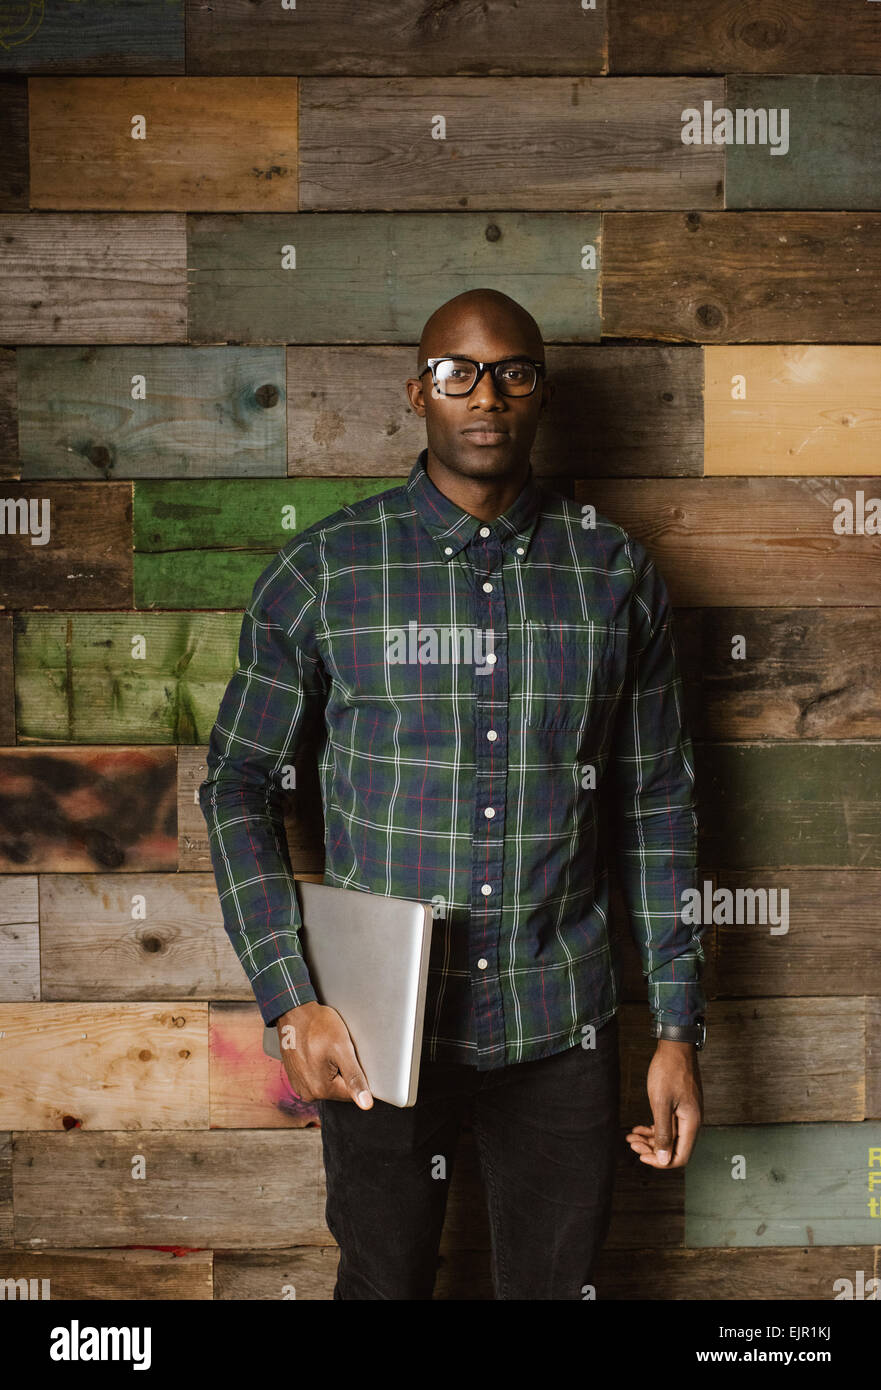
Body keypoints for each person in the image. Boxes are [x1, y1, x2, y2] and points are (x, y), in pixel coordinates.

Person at [198, 287, 707, 1300]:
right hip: (375, 1031)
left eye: (513, 372)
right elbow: (239, 783)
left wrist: (676, 1027)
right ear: (416, 392)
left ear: (540, 394)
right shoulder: (325, 570)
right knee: (381, 1284)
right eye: (456, 372)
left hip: (559, 1021)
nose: (486, 395)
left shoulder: (613, 576)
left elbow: (656, 805)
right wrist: (288, 999)